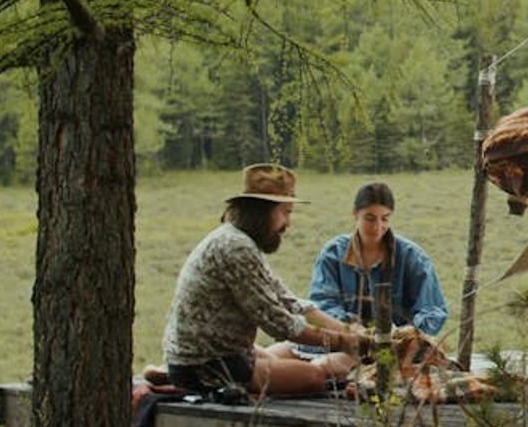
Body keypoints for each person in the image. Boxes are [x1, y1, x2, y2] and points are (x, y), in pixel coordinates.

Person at [158, 163, 375, 397]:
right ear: (263, 212)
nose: (288, 223)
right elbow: (281, 324)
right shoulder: (236, 248)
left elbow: (291, 303)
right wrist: (347, 342)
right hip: (208, 364)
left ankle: (167, 374)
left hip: (211, 354)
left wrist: (352, 332)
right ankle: (180, 377)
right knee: (315, 377)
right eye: (286, 212)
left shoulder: (239, 241)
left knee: (279, 361)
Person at [305, 181, 450, 337]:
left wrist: (405, 332)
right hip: (343, 339)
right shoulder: (333, 253)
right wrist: (350, 327)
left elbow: (433, 310)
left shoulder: (412, 257)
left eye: (385, 219)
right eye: (370, 218)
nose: (377, 227)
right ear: (355, 214)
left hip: (396, 345)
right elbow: (322, 303)